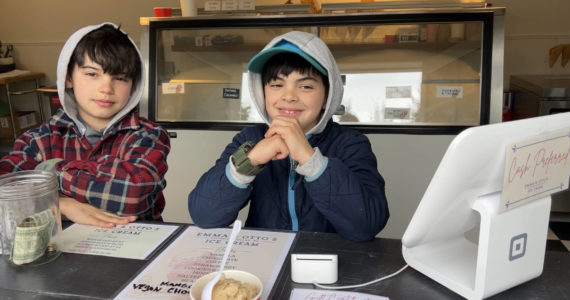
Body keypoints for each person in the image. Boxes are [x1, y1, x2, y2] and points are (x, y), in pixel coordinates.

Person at [188, 31, 388, 242]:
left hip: (327, 264)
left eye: (305, 86)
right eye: (276, 84)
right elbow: (204, 216)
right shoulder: (249, 139)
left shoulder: (350, 143)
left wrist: (311, 160)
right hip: (264, 260)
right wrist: (251, 160)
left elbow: (367, 225)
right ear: (262, 92)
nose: (289, 96)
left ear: (327, 97)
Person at [0, 23, 170, 228]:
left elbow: (131, 193)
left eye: (120, 78)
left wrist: (51, 170)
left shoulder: (148, 135)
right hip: (62, 251)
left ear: (134, 84)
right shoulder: (37, 140)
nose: (106, 88)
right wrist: (60, 204)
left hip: (134, 249)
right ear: (68, 77)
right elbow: (6, 192)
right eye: (92, 74)